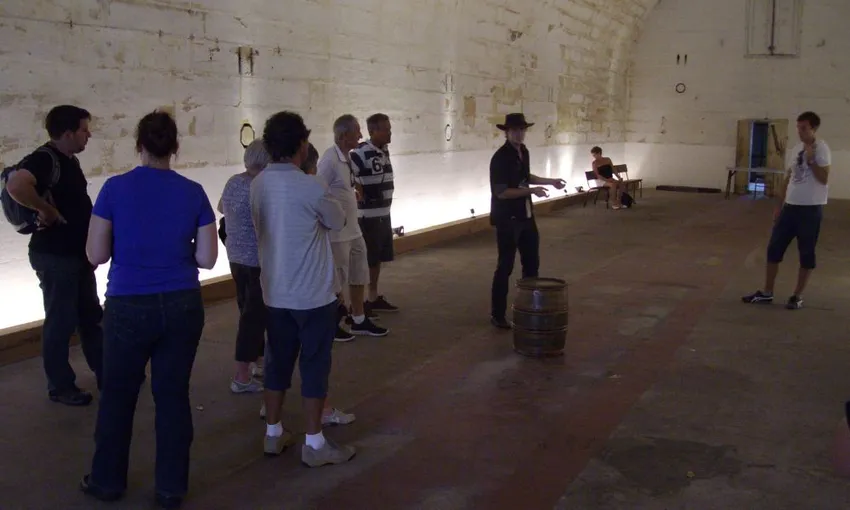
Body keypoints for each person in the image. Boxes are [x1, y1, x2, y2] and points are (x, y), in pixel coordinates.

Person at [80, 111, 218, 509]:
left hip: (126, 305)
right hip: (182, 303)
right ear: (174, 147)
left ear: (138, 144)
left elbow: (96, 253)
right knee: (172, 395)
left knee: (118, 396)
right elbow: (207, 259)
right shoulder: (192, 192)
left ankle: (107, 481)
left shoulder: (114, 189)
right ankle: (171, 487)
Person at [251, 111, 356, 466]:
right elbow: (336, 219)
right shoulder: (310, 185)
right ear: (301, 144)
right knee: (314, 364)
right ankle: (314, 443)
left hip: (274, 291)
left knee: (276, 361)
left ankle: (274, 433)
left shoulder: (258, 184)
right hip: (312, 294)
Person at [4, 105, 103, 406]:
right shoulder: (45, 159)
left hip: (75, 255)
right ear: (68, 132)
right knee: (60, 322)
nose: (89, 135)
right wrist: (45, 210)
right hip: (56, 256)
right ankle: (60, 385)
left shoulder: (67, 161)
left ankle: (106, 371)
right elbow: (16, 184)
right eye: (84, 129)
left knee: (90, 317)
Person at [742, 111, 831, 310]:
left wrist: (811, 160)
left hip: (810, 210)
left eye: (804, 128)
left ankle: (796, 296)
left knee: (806, 253)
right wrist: (778, 206)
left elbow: (824, 179)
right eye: (798, 127)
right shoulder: (796, 148)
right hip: (790, 209)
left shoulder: (822, 149)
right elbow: (788, 178)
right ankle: (767, 292)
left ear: (814, 129)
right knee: (774, 250)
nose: (800, 132)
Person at [488, 113, 566, 329]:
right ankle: (497, 314)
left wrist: (551, 182)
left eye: (522, 130)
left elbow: (526, 177)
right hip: (508, 219)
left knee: (532, 265)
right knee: (505, 266)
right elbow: (501, 192)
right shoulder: (500, 158)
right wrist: (532, 191)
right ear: (506, 132)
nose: (519, 134)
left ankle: (529, 308)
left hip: (526, 217)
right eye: (514, 130)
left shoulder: (523, 152)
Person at [318, 115, 388, 339]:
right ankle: (332, 322)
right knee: (337, 279)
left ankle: (358, 319)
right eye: (356, 132)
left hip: (353, 229)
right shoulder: (329, 160)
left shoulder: (347, 158)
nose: (360, 135)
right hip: (337, 233)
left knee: (359, 273)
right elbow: (319, 192)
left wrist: (352, 192)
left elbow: (342, 185)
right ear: (343, 135)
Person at [218, 139, 270, 394]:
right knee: (253, 319)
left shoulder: (233, 182)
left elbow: (222, 210)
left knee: (249, 313)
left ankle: (257, 363)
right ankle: (241, 376)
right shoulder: (261, 187)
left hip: (235, 258)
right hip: (257, 262)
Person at [350, 113, 399, 315]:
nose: (390, 132)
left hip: (383, 214)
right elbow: (351, 175)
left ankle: (373, 296)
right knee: (366, 260)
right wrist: (360, 193)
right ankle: (359, 305)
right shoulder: (360, 153)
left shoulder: (383, 151)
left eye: (389, 128)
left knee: (377, 258)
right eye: (385, 129)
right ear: (373, 131)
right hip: (368, 217)